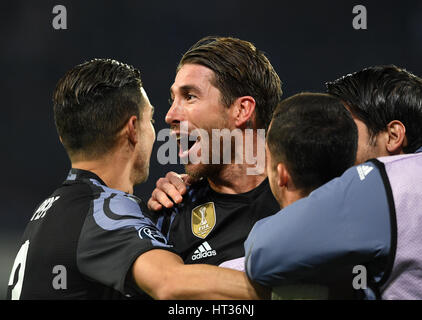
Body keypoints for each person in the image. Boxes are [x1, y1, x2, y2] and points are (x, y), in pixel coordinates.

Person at [6, 58, 267, 300]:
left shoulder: (52, 211)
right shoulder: (104, 211)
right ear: (133, 130)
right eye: (150, 119)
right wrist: (284, 290)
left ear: (64, 138)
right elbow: (170, 281)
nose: (165, 121)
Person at [245, 65, 422, 300]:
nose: (337, 139)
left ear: (393, 136)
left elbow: (264, 253)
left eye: (347, 128)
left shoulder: (386, 181)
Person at [147, 36, 282, 270]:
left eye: (189, 96)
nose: (170, 116)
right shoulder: (171, 214)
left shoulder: (308, 195)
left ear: (241, 110)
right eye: (173, 99)